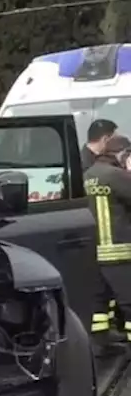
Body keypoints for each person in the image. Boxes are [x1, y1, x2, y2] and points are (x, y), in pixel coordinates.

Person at [85, 134, 131, 344]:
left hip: (92, 250)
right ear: (123, 154)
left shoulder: (87, 175)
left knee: (99, 302)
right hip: (119, 250)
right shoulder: (118, 176)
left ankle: (100, 342)